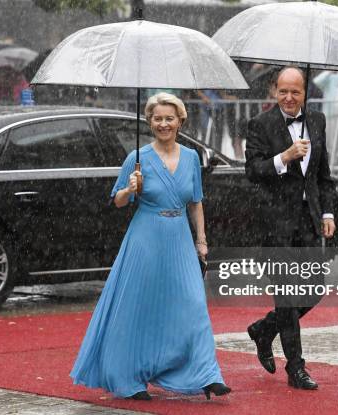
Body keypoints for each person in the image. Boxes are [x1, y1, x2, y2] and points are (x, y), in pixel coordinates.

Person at [70, 92, 231, 401]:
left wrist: (202, 241)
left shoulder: (191, 157)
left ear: (180, 121)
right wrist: (130, 188)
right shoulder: (137, 158)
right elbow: (117, 201)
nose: (163, 123)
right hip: (145, 239)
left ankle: (206, 374)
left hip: (180, 239)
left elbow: (196, 203)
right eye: (157, 118)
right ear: (149, 122)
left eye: (169, 118)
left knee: (193, 306)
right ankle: (129, 378)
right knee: (139, 309)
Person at [244, 66, 336, 390]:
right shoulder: (259, 124)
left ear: (305, 93)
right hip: (274, 225)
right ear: (274, 91)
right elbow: (252, 170)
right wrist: (283, 157)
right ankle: (296, 369)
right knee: (286, 296)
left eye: (295, 91)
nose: (288, 97)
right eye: (283, 91)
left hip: (308, 222)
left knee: (313, 290)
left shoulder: (318, 121)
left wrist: (327, 212)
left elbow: (323, 175)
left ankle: (264, 329)